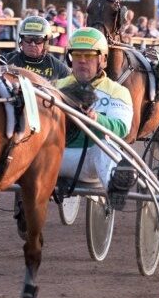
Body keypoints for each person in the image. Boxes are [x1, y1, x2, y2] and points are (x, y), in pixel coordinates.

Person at [54, 27, 135, 195]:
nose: (82, 60)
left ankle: (114, 190)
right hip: (54, 157)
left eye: (89, 55)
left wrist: (96, 118)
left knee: (107, 146)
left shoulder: (117, 91)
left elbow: (121, 128)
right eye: (77, 55)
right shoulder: (55, 86)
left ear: (103, 59)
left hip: (90, 161)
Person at [3, 15, 70, 80]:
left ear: (46, 43)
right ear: (21, 40)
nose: (32, 44)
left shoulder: (59, 69)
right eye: (28, 39)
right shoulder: (5, 60)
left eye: (38, 40)